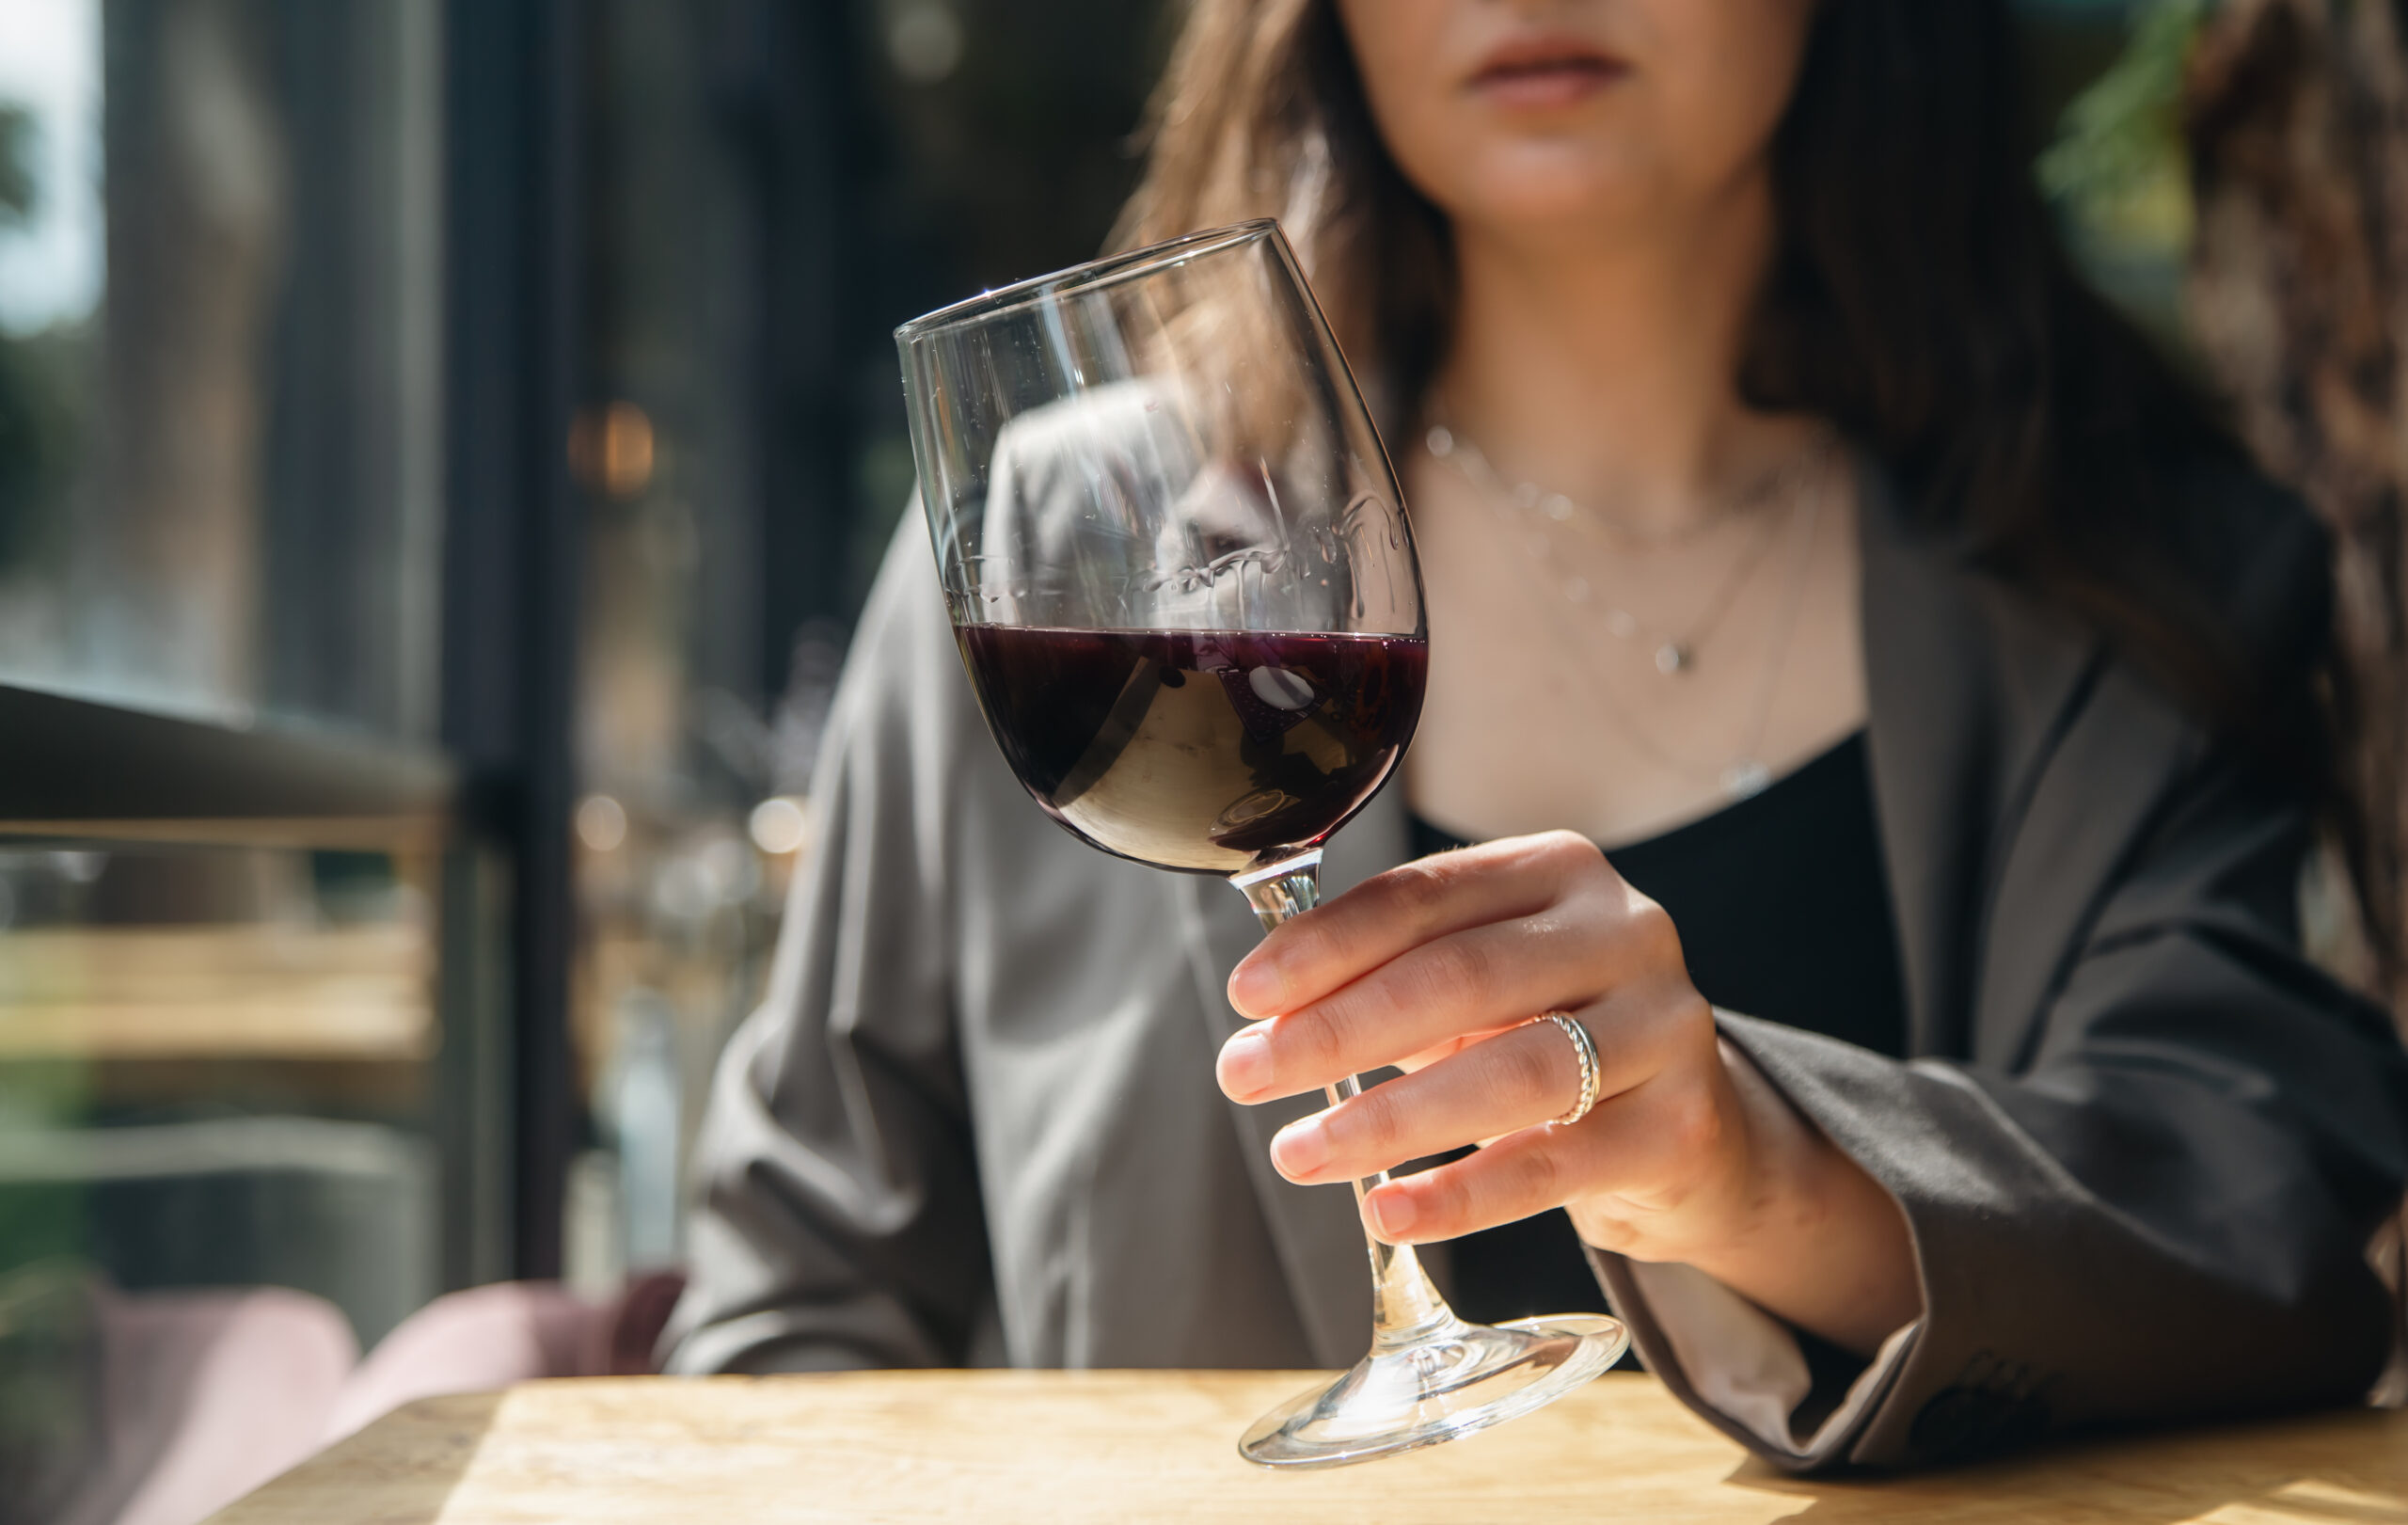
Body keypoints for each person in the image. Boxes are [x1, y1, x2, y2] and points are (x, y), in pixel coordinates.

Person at [663, 0, 2408, 1470]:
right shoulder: (1051, 551)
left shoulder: (2137, 575)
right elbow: (787, 1307)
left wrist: (1756, 1162)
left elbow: (2261, 1220)